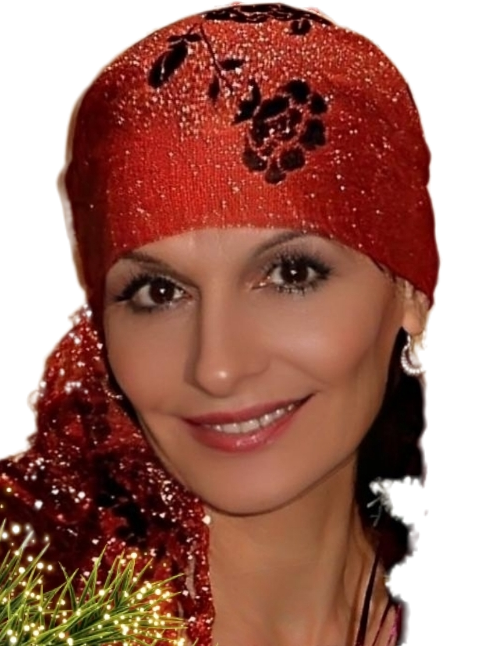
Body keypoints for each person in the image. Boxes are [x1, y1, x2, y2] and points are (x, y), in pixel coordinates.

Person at [0, 2, 439, 645]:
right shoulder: (34, 615)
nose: (218, 367)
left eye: (290, 274)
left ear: (410, 289)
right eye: (159, 292)